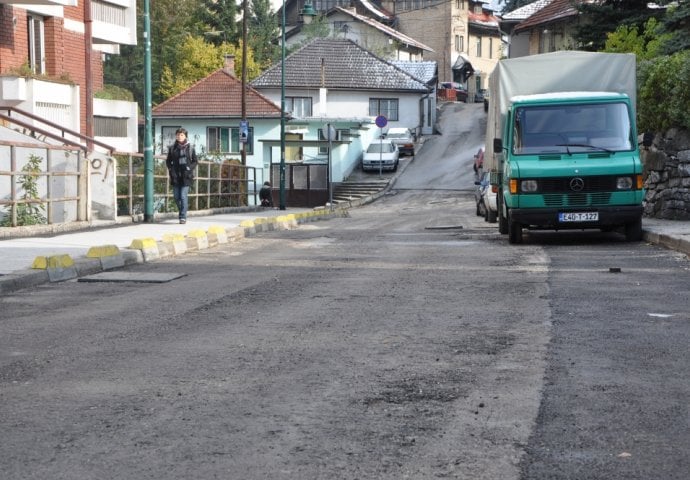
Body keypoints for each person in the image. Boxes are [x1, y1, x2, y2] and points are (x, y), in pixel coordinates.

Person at [166, 128, 198, 224]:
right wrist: (171, 169)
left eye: (181, 135)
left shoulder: (190, 148)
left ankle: (182, 217)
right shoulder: (172, 148)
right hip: (175, 175)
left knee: (183, 196)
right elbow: (168, 161)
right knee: (176, 197)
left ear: (185, 136)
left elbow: (195, 161)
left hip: (186, 175)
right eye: (178, 135)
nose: (179, 137)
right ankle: (182, 211)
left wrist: (189, 168)